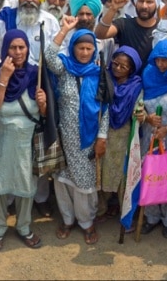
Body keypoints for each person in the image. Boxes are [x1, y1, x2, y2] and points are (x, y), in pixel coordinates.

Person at [43, 24, 107, 245]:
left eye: (89, 49)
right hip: (63, 135)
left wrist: (102, 137)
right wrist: (64, 29)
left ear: (94, 51)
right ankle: (68, 219)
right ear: (73, 48)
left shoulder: (100, 74)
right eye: (80, 48)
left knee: (85, 183)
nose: (84, 52)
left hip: (88, 140)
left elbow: (106, 108)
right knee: (62, 181)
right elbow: (49, 55)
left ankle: (87, 222)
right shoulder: (65, 70)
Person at [0, 29, 45, 252]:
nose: (18, 52)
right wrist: (4, 78)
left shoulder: (36, 73)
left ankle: (24, 227)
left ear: (28, 49)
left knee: (27, 184)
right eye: (13, 48)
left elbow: (45, 113)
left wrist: (44, 103)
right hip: (1, 137)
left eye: (22, 47)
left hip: (27, 140)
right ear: (4, 49)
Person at [135, 39, 167, 238]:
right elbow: (138, 105)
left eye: (166, 60)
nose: (162, 65)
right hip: (149, 137)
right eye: (158, 60)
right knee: (150, 175)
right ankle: (151, 217)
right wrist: (146, 117)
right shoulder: (147, 76)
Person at [99, 45, 143, 224]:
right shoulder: (104, 79)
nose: (117, 68)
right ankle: (101, 209)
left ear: (131, 69)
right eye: (115, 63)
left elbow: (139, 108)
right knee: (102, 171)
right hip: (104, 133)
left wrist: (141, 114)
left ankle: (124, 212)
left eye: (123, 67)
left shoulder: (136, 85)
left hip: (125, 134)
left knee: (123, 173)